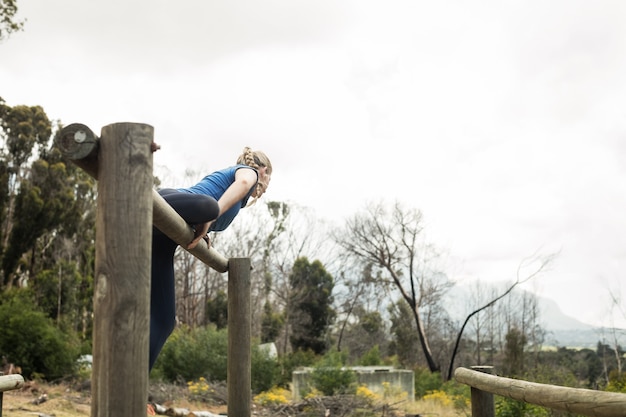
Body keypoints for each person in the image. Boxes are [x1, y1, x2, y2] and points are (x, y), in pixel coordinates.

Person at [149, 147, 272, 371]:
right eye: (269, 178)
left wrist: (204, 229)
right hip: (169, 202)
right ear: (263, 171)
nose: (265, 186)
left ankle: (136, 393)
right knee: (208, 206)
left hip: (164, 236)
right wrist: (210, 216)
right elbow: (242, 185)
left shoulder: (236, 199)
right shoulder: (249, 173)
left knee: (164, 321)